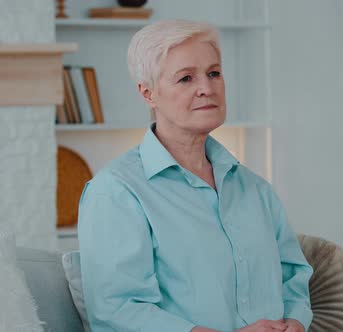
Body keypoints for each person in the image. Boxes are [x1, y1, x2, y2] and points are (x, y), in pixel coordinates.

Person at [78, 20, 313, 332]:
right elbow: (118, 310)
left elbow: (293, 275)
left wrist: (296, 321)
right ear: (148, 94)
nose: (207, 87)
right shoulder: (116, 192)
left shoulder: (255, 188)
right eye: (186, 78)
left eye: (214, 73)